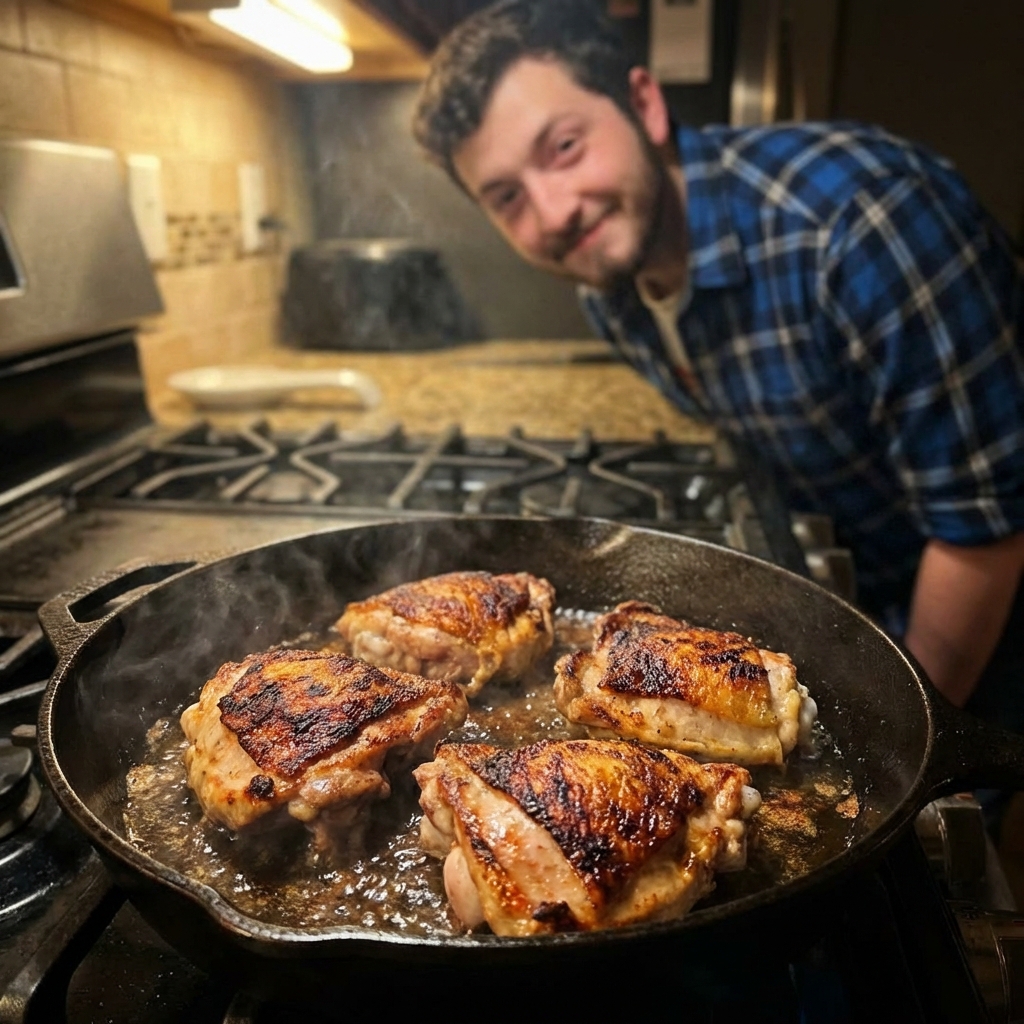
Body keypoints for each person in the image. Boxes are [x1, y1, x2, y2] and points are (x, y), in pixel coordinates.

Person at [410, 1, 1024, 735]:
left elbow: (983, 530)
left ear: (644, 103)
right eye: (506, 197)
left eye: (566, 146)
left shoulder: (861, 224)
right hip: (869, 583)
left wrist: (906, 742)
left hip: (988, 609)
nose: (553, 211)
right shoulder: (613, 283)